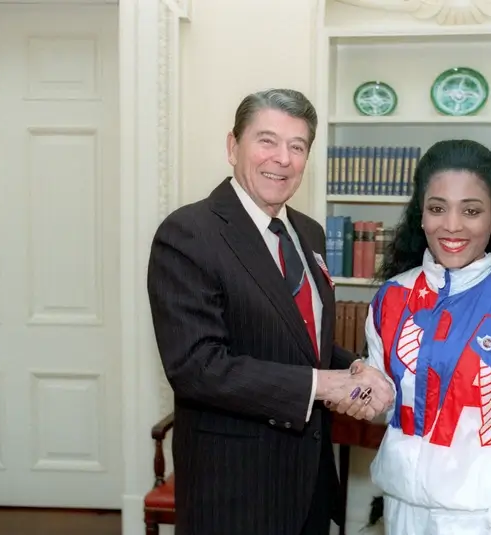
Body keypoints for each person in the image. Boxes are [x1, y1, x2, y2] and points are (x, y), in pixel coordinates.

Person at [146, 88, 394, 535]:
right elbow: (197, 367)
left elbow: (303, 342)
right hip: (236, 489)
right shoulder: (189, 233)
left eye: (297, 146)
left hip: (309, 482)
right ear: (232, 146)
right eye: (267, 140)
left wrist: (354, 367)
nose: (282, 158)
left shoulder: (309, 233)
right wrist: (325, 384)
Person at [362, 139, 491, 535]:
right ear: (420, 215)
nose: (452, 225)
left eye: (471, 211)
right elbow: (388, 410)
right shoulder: (391, 298)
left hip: (481, 520)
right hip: (399, 510)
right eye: (437, 208)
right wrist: (361, 390)